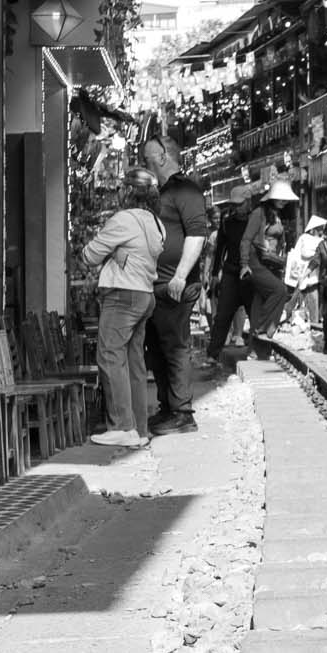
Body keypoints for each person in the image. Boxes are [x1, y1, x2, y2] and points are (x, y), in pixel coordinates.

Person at [78, 167, 166, 449]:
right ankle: (139, 429)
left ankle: (122, 426)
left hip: (123, 295)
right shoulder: (156, 222)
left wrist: (112, 252)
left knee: (109, 355)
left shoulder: (124, 219)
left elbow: (90, 255)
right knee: (134, 362)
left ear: (127, 191)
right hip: (144, 295)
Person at [137, 132, 210, 436]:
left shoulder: (186, 190)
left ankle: (182, 412)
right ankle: (168, 408)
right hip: (156, 284)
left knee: (174, 346)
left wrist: (180, 275)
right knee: (157, 348)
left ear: (163, 156)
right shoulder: (162, 192)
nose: (144, 163)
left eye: (147, 158)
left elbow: (197, 233)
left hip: (174, 284)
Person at [201, 182, 257, 378]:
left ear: (248, 202)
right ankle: (212, 355)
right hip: (232, 273)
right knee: (222, 315)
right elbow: (220, 250)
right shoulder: (227, 222)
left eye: (241, 204)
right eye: (235, 204)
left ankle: (258, 350)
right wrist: (215, 274)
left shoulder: (255, 220)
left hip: (251, 274)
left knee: (254, 313)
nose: (237, 208)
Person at [241, 178, 296, 354]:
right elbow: (246, 239)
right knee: (279, 290)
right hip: (255, 260)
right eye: (280, 197)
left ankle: (255, 351)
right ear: (271, 197)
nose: (284, 200)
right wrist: (244, 264)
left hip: (270, 263)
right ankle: (264, 329)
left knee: (259, 303)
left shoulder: (277, 215)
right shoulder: (259, 213)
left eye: (285, 198)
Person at [282, 217, 327, 337]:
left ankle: (314, 324)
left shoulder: (320, 240)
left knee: (313, 301)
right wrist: (318, 251)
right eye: (319, 229)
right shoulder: (305, 238)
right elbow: (306, 253)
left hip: (312, 278)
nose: (321, 231)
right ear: (313, 229)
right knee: (294, 300)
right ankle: (284, 319)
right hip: (301, 275)